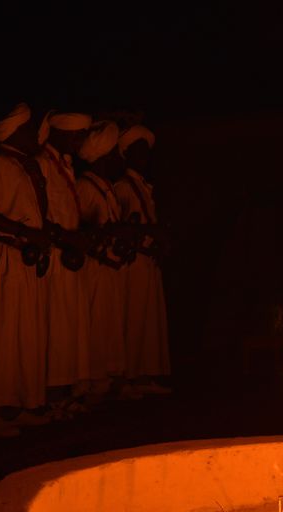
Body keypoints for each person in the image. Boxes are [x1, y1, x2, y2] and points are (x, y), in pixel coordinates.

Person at [0, 103, 52, 437]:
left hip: (27, 258)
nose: (36, 135)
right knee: (3, 333)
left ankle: (18, 405)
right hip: (8, 256)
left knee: (25, 332)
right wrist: (25, 233)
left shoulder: (24, 165)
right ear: (16, 132)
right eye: (31, 129)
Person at [37, 112, 93, 415]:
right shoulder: (43, 164)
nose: (80, 141)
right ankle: (52, 394)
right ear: (60, 133)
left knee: (69, 325)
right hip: (54, 256)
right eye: (77, 135)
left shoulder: (67, 166)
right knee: (54, 324)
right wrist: (63, 238)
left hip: (69, 256)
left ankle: (65, 390)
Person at [114, 124, 171, 395]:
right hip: (133, 261)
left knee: (148, 318)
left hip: (148, 260)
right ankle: (128, 377)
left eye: (147, 152)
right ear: (126, 154)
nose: (144, 158)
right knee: (134, 317)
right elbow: (121, 227)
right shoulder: (123, 187)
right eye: (139, 152)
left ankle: (143, 375)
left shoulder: (144, 186)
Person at [75, 120, 128, 401]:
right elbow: (81, 229)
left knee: (109, 323)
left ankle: (107, 380)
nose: (119, 158)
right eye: (114, 153)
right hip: (94, 269)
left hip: (110, 268)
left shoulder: (105, 187)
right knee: (95, 324)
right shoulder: (84, 186)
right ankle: (92, 383)